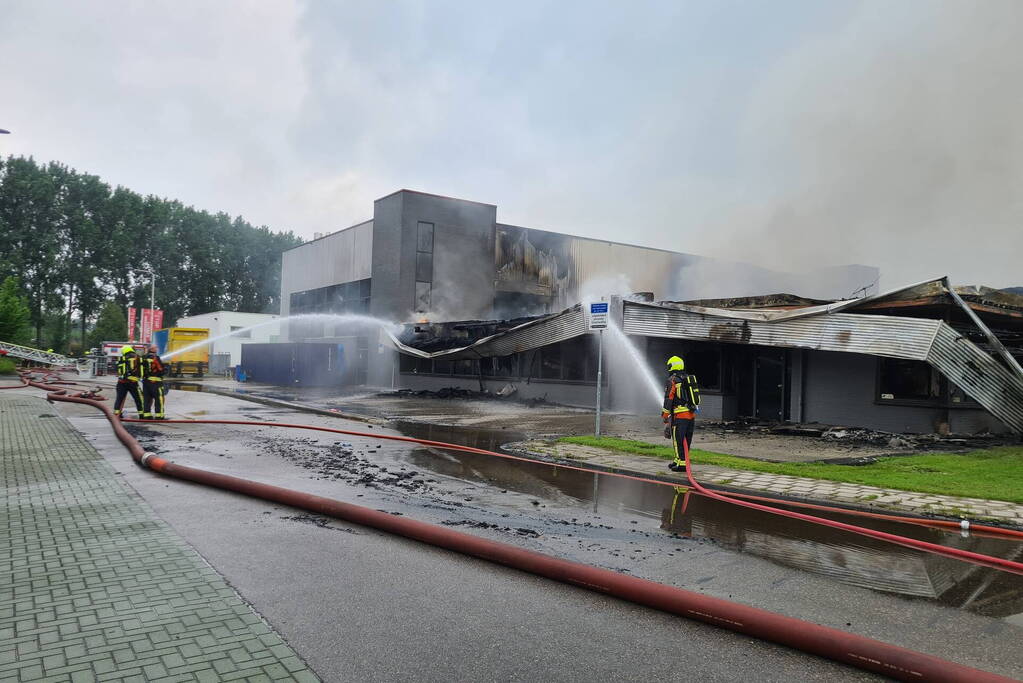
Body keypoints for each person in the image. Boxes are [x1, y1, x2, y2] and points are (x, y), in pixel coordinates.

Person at [661, 355, 700, 472]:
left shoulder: (673, 380)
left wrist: (665, 416)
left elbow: (668, 399)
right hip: (691, 415)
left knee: (678, 440)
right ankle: (678, 460)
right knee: (686, 441)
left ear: (671, 366)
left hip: (679, 416)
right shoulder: (687, 378)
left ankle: (682, 464)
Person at [113, 345, 144, 419]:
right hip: (133, 382)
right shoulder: (136, 358)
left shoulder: (121, 359)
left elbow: (116, 369)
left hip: (121, 382)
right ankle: (142, 414)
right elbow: (141, 368)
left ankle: (116, 414)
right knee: (138, 399)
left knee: (119, 399)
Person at [141, 344, 167, 419]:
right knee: (159, 399)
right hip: (156, 382)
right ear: (152, 349)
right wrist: (165, 370)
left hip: (146, 382)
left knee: (147, 399)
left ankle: (147, 415)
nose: (157, 348)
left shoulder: (143, 358)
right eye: (156, 347)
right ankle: (159, 416)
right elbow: (161, 369)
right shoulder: (156, 357)